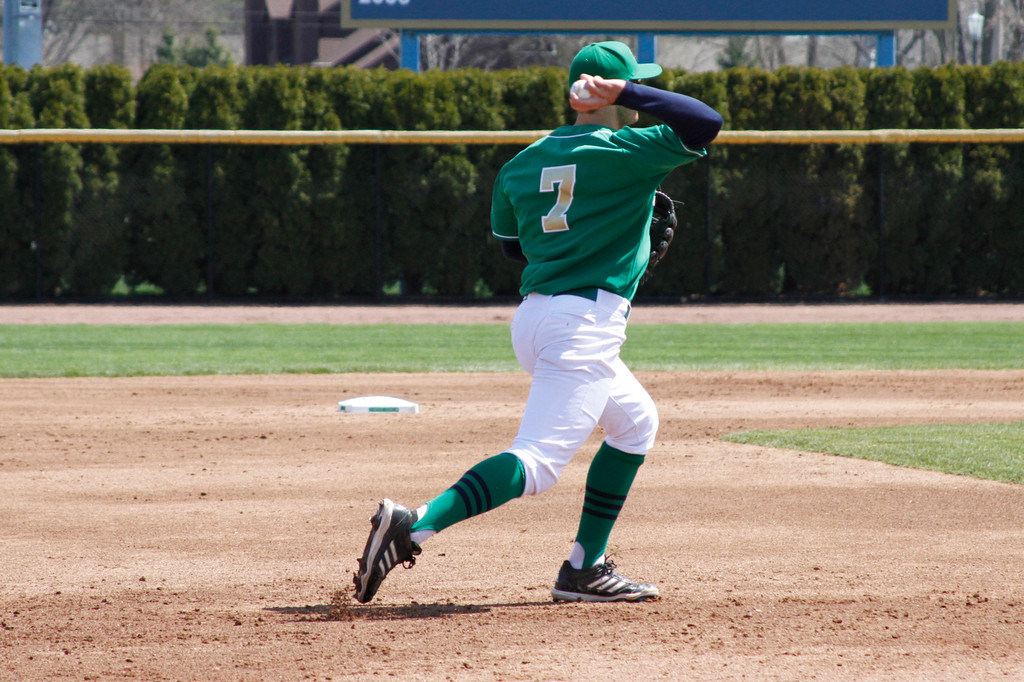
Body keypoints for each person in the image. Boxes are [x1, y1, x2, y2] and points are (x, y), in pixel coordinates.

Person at [354, 40, 723, 604]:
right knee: (538, 462)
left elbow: (514, 250)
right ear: (611, 93)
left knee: (635, 424)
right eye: (630, 87)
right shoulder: (629, 150)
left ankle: (584, 568)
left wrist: (623, 249)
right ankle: (414, 525)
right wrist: (628, 93)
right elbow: (705, 121)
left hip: (537, 318)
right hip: (582, 324)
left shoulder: (523, 162)